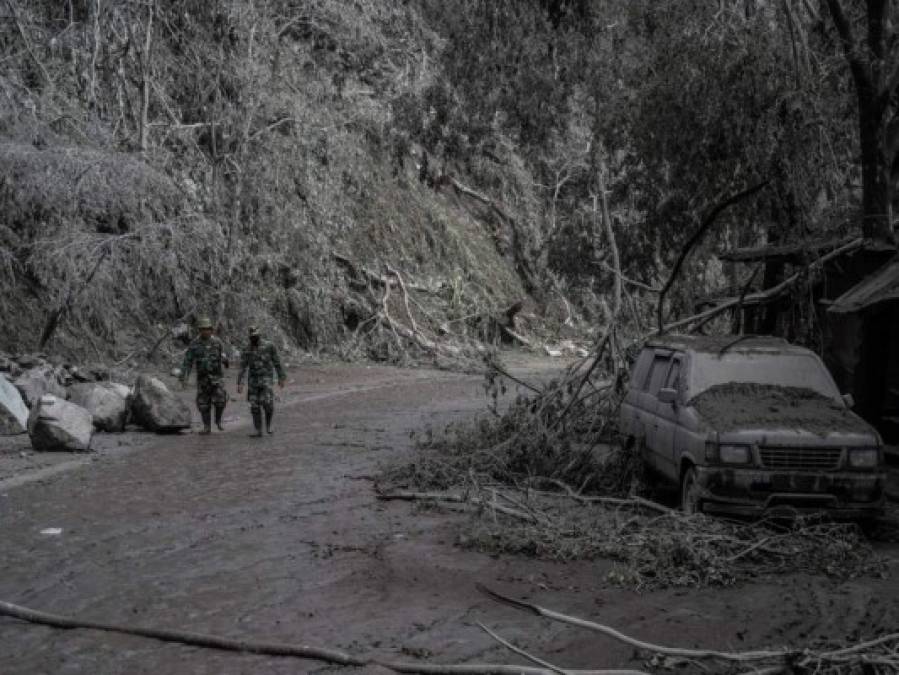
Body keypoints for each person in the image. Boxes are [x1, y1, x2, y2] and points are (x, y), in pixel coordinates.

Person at [179, 316, 229, 434]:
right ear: (199, 330)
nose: (205, 331)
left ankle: (218, 421)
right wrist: (183, 376)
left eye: (207, 329)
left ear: (211, 330)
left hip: (217, 377)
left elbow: (223, 355)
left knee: (221, 400)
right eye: (202, 329)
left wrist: (225, 361)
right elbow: (188, 361)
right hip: (203, 379)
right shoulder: (194, 344)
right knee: (203, 404)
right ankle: (207, 426)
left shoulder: (217, 342)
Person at [237, 326, 286, 437]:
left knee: (267, 403)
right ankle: (257, 429)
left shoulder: (269, 346)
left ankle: (268, 426)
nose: (254, 338)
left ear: (259, 335)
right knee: (254, 405)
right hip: (253, 381)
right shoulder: (247, 349)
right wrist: (240, 383)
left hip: (266, 380)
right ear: (249, 337)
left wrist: (281, 378)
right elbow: (242, 367)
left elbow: (277, 362)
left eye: (256, 336)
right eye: (252, 336)